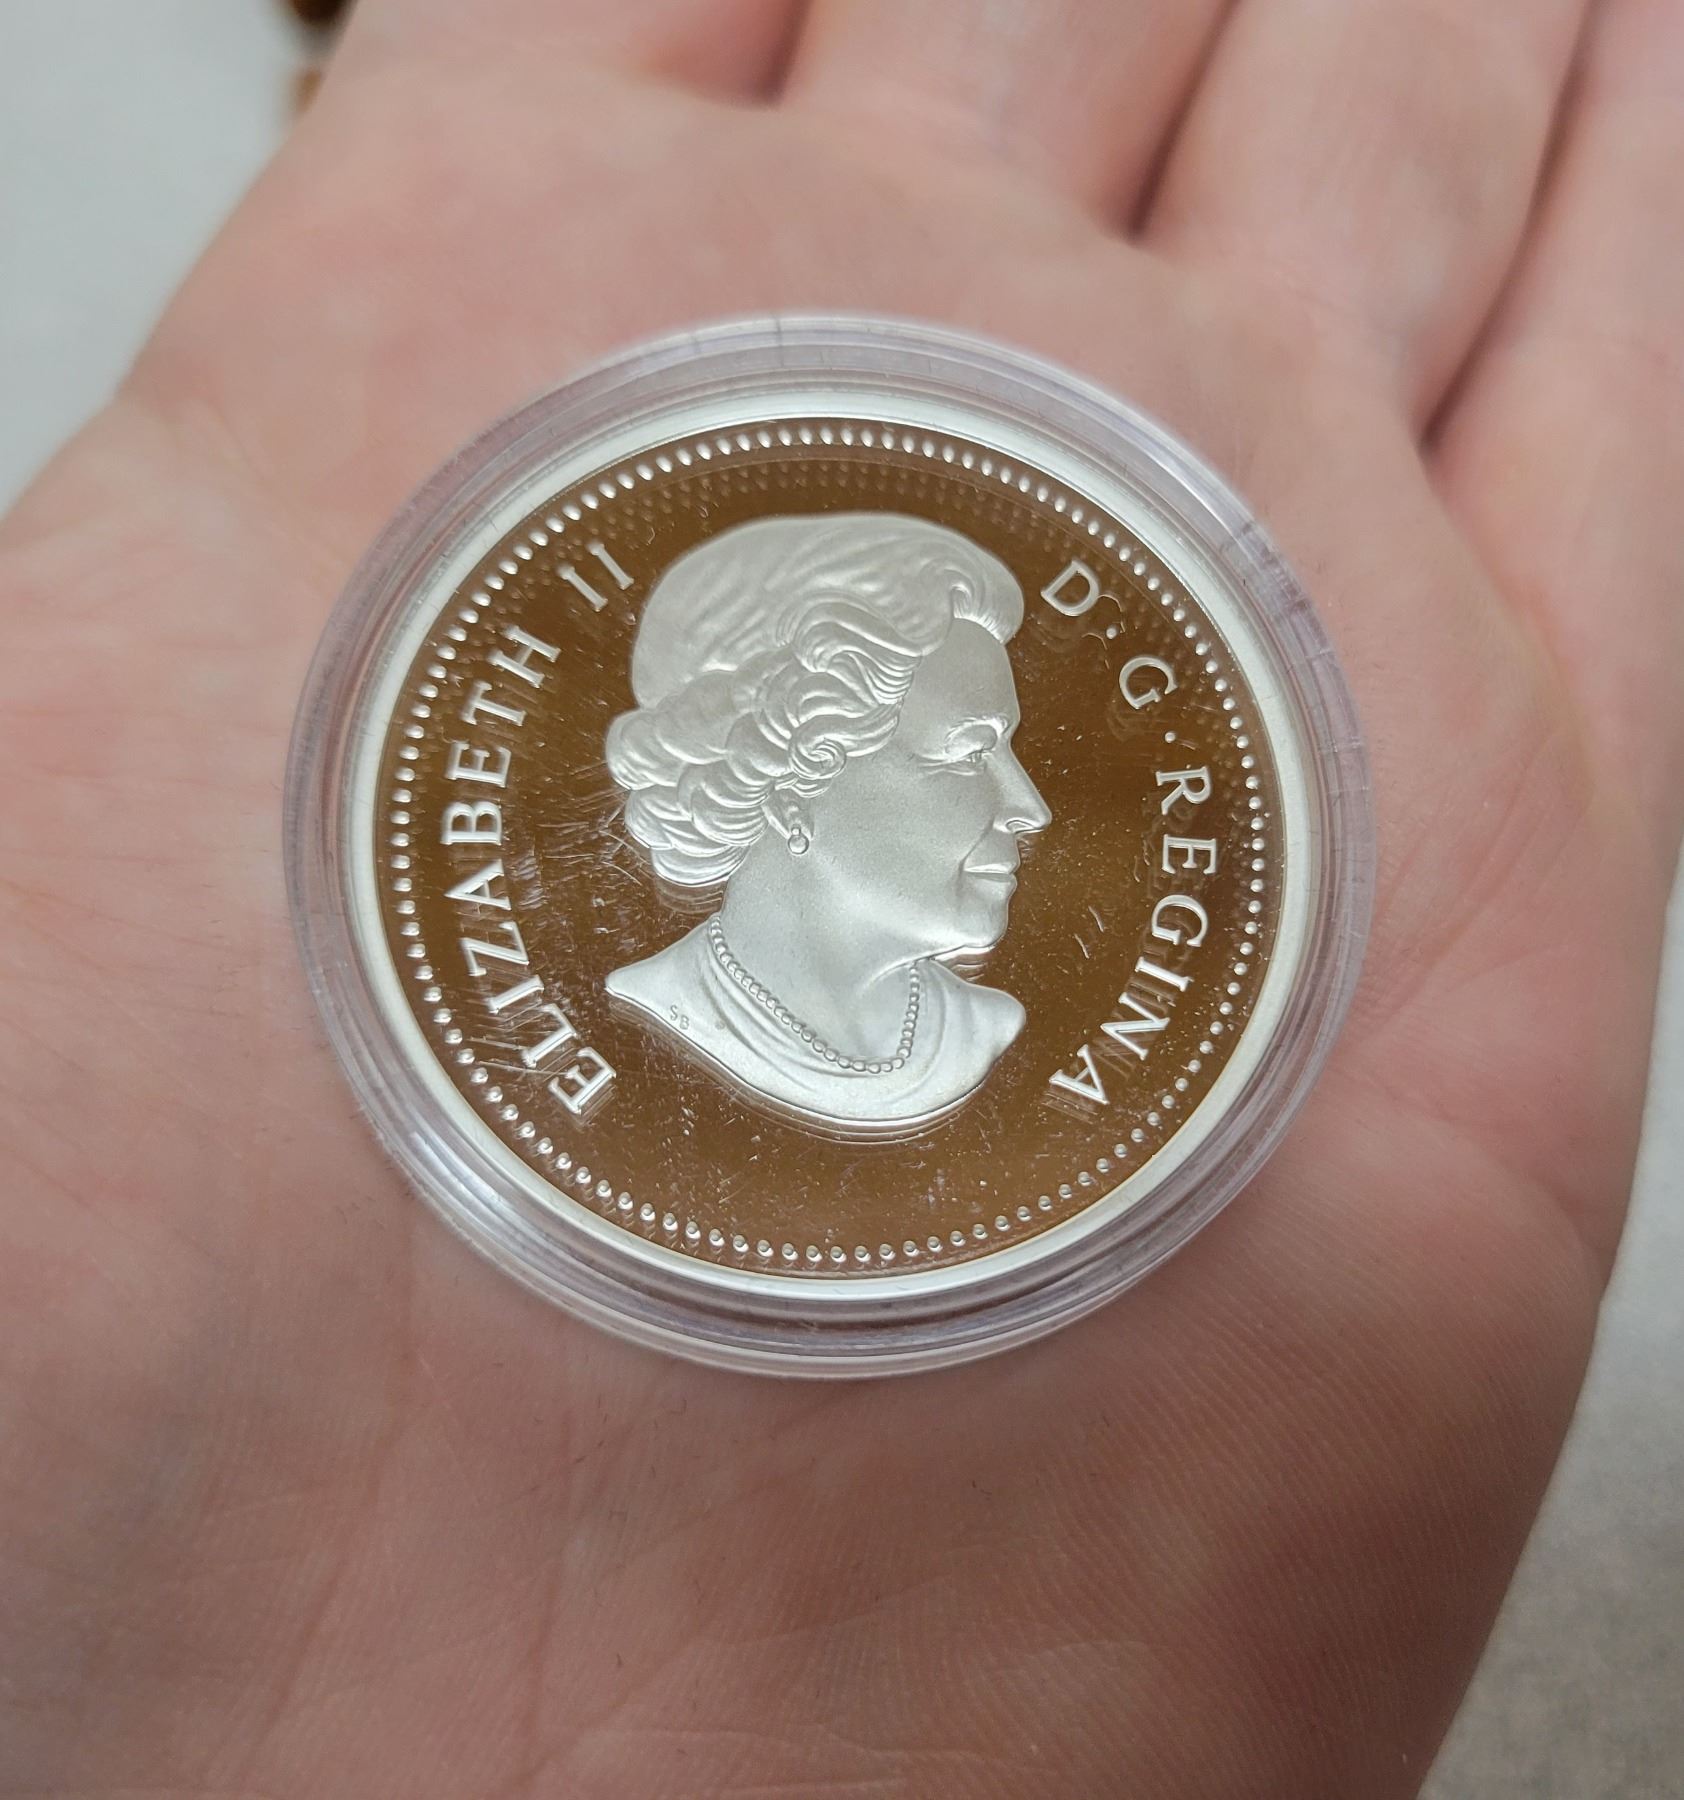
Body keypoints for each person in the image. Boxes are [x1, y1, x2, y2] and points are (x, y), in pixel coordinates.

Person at [1, 1, 1679, 1794]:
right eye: (964, 749)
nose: (1027, 802)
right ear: (788, 768)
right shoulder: (637, 1039)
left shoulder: (999, 1056)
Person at [604, 513, 1050, 1134]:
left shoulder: (987, 1026)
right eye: (971, 753)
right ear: (792, 795)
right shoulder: (656, 1011)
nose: (1030, 809)